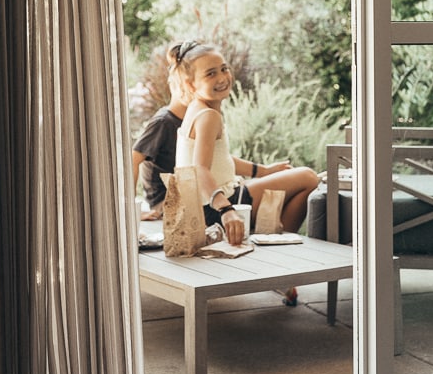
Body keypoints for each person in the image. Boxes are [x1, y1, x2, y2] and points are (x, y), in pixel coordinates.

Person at [169, 40, 320, 250]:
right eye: (210, 74)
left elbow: (217, 160)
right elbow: (199, 168)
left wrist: (264, 171)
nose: (222, 78)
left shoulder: (197, 108)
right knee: (308, 177)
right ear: (190, 84)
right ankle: (278, 252)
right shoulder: (209, 116)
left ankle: (273, 243)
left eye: (224, 69)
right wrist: (227, 210)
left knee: (295, 185)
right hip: (215, 207)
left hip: (206, 203)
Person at [131, 66, 188, 219]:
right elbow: (133, 160)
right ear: (174, 86)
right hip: (164, 202)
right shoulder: (163, 122)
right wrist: (131, 210)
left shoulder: (191, 119)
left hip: (186, 196)